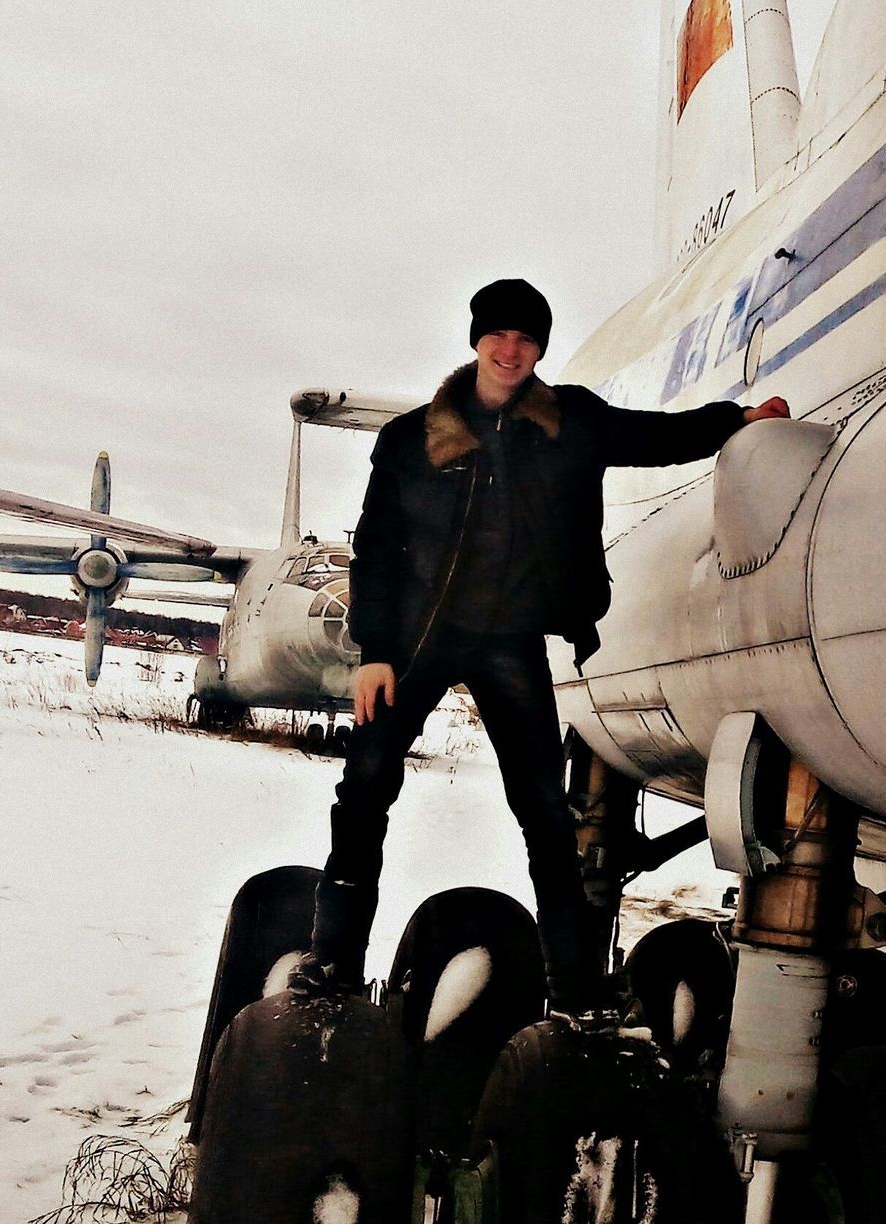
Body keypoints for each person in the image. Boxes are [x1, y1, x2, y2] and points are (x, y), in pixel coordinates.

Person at [291, 279, 789, 1014]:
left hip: (508, 640)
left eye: (525, 338)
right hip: (416, 641)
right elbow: (377, 549)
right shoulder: (409, 439)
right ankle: (332, 960)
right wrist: (372, 650)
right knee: (364, 788)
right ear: (475, 340)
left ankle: (574, 986)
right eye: (497, 334)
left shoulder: (569, 421)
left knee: (544, 811)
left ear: (538, 350)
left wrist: (736, 419)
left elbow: (653, 435)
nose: (510, 348)